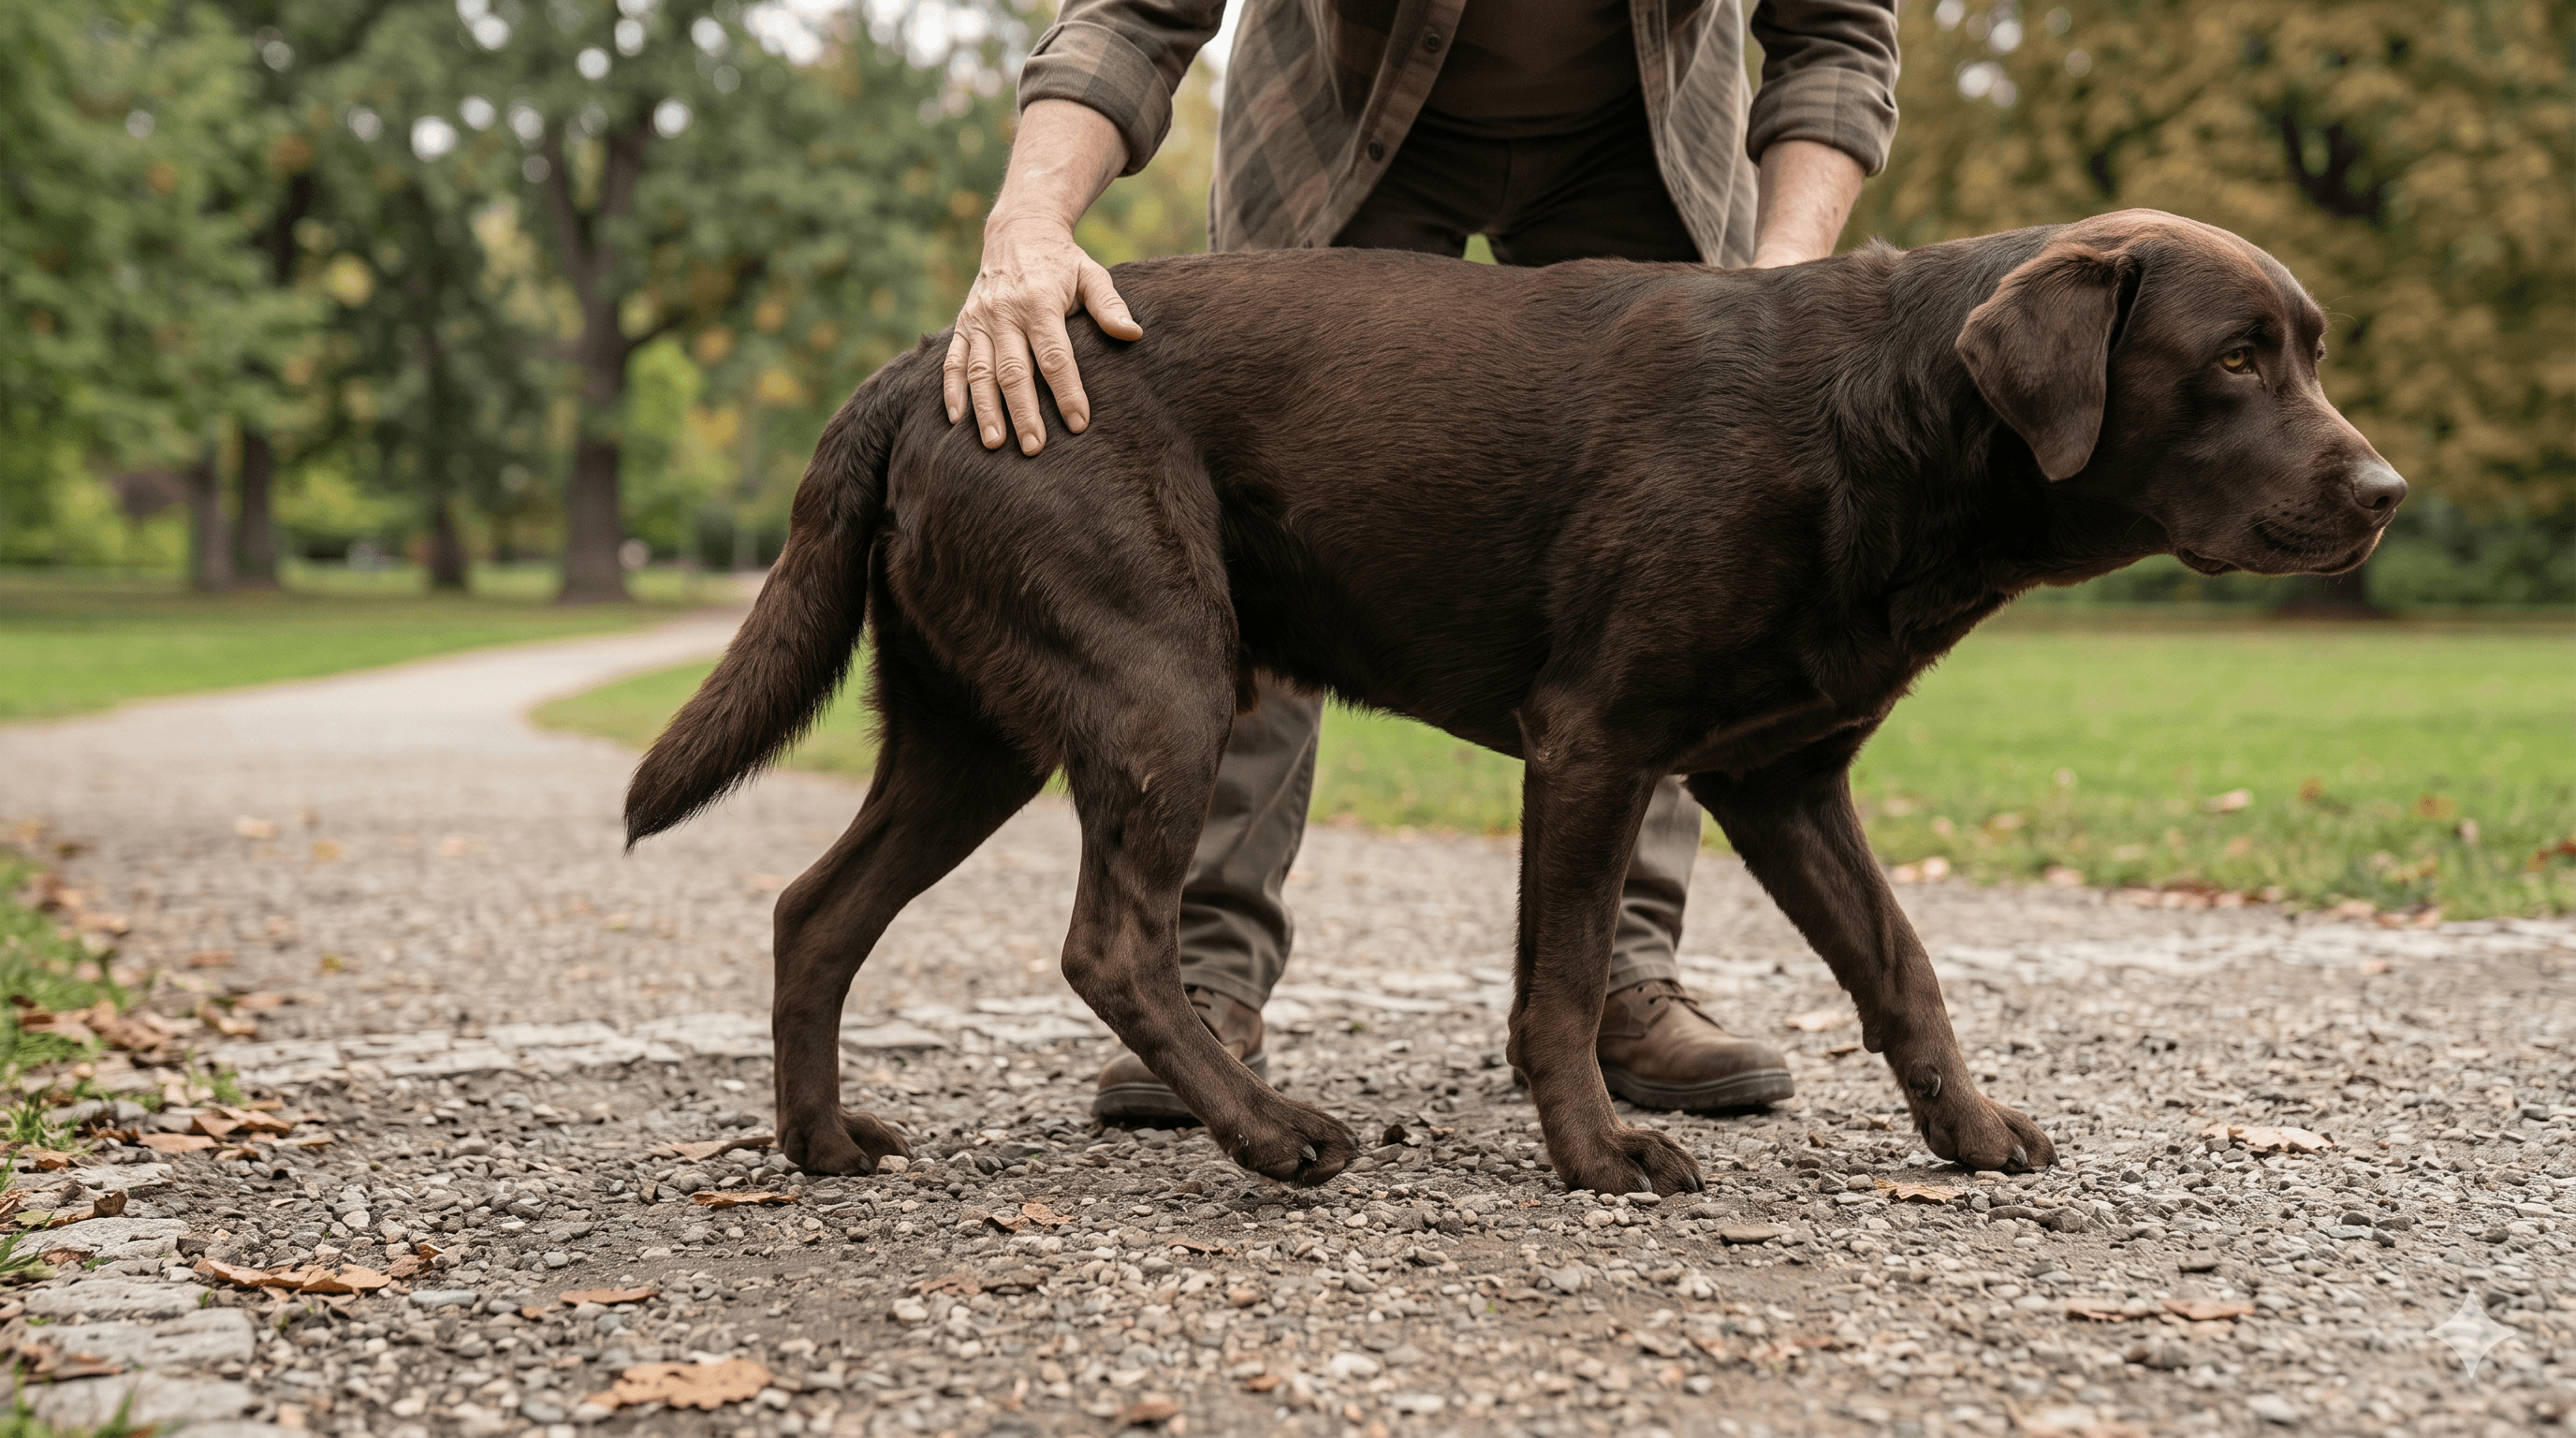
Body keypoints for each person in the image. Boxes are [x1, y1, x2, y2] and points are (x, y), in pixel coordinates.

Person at [941, 0, 1901, 1123]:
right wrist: (1028, 223)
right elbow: (1134, 11)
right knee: (1251, 518)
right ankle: (1197, 970)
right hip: (1335, 124)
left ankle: (1615, 983)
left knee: (1676, 550)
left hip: (1638, 138)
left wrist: (1783, 276)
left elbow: (1834, 34)